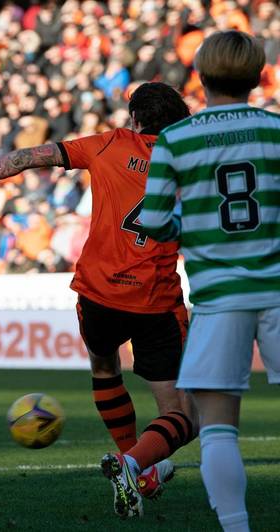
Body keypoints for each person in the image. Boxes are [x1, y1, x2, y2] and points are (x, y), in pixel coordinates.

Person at [0, 82, 197, 518]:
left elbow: (34, 156)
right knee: (183, 413)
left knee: (105, 367)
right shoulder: (190, 158)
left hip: (98, 292)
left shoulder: (109, 144)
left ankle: (135, 467)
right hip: (155, 299)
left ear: (136, 120)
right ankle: (135, 466)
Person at [141, 31, 279, 532]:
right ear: (259, 75)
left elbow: (153, 221)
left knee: (219, 429)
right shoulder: (276, 130)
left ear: (199, 76)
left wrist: (189, 227)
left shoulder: (177, 139)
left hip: (220, 295)